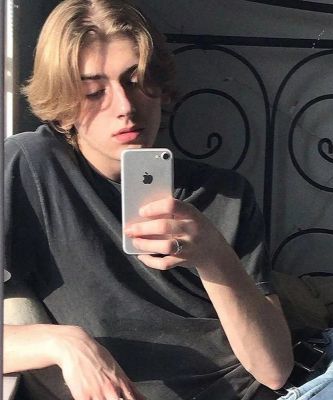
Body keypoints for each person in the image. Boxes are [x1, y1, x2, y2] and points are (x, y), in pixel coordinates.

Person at [3, 1, 293, 399]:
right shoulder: (31, 167)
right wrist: (64, 344)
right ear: (64, 107)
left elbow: (275, 371)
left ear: (160, 88)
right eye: (93, 91)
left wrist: (213, 254)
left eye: (136, 81)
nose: (125, 107)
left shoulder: (226, 193)